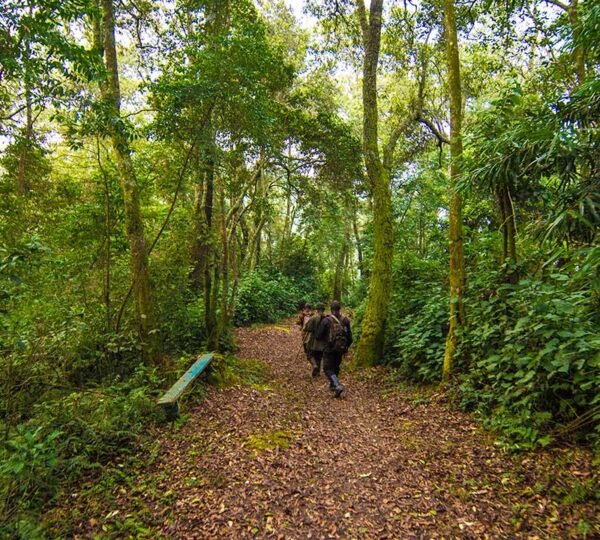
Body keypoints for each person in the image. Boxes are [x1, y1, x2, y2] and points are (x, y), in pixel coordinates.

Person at [316, 300, 352, 398]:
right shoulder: (345, 320)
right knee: (336, 366)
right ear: (339, 309)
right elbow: (350, 337)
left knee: (327, 368)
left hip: (329, 348)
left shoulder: (326, 320)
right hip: (340, 349)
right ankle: (333, 385)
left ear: (331, 309)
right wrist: (345, 348)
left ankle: (337, 385)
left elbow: (318, 335)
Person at [303, 303, 327, 377]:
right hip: (323, 343)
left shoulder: (314, 318)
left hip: (314, 342)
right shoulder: (327, 319)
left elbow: (307, 328)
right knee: (319, 357)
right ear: (323, 309)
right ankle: (317, 373)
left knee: (309, 355)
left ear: (317, 310)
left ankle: (314, 366)